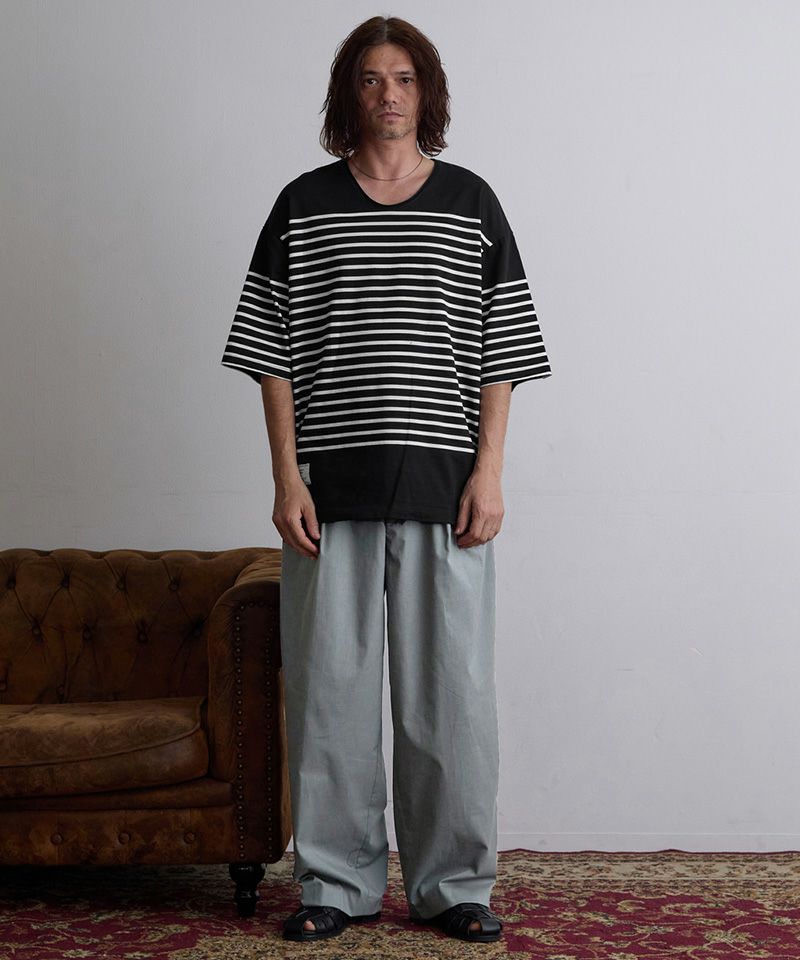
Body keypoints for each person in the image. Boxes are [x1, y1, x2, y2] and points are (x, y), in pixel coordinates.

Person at [220, 15, 552, 945]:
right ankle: (335, 884)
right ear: (349, 94)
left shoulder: (471, 202)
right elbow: (270, 352)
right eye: (371, 79)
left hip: (448, 493)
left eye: (405, 78)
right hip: (331, 493)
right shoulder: (303, 204)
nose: (389, 95)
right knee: (329, 696)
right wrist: (286, 479)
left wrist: (490, 473)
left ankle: (455, 886)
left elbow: (501, 350)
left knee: (454, 703)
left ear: (427, 92)